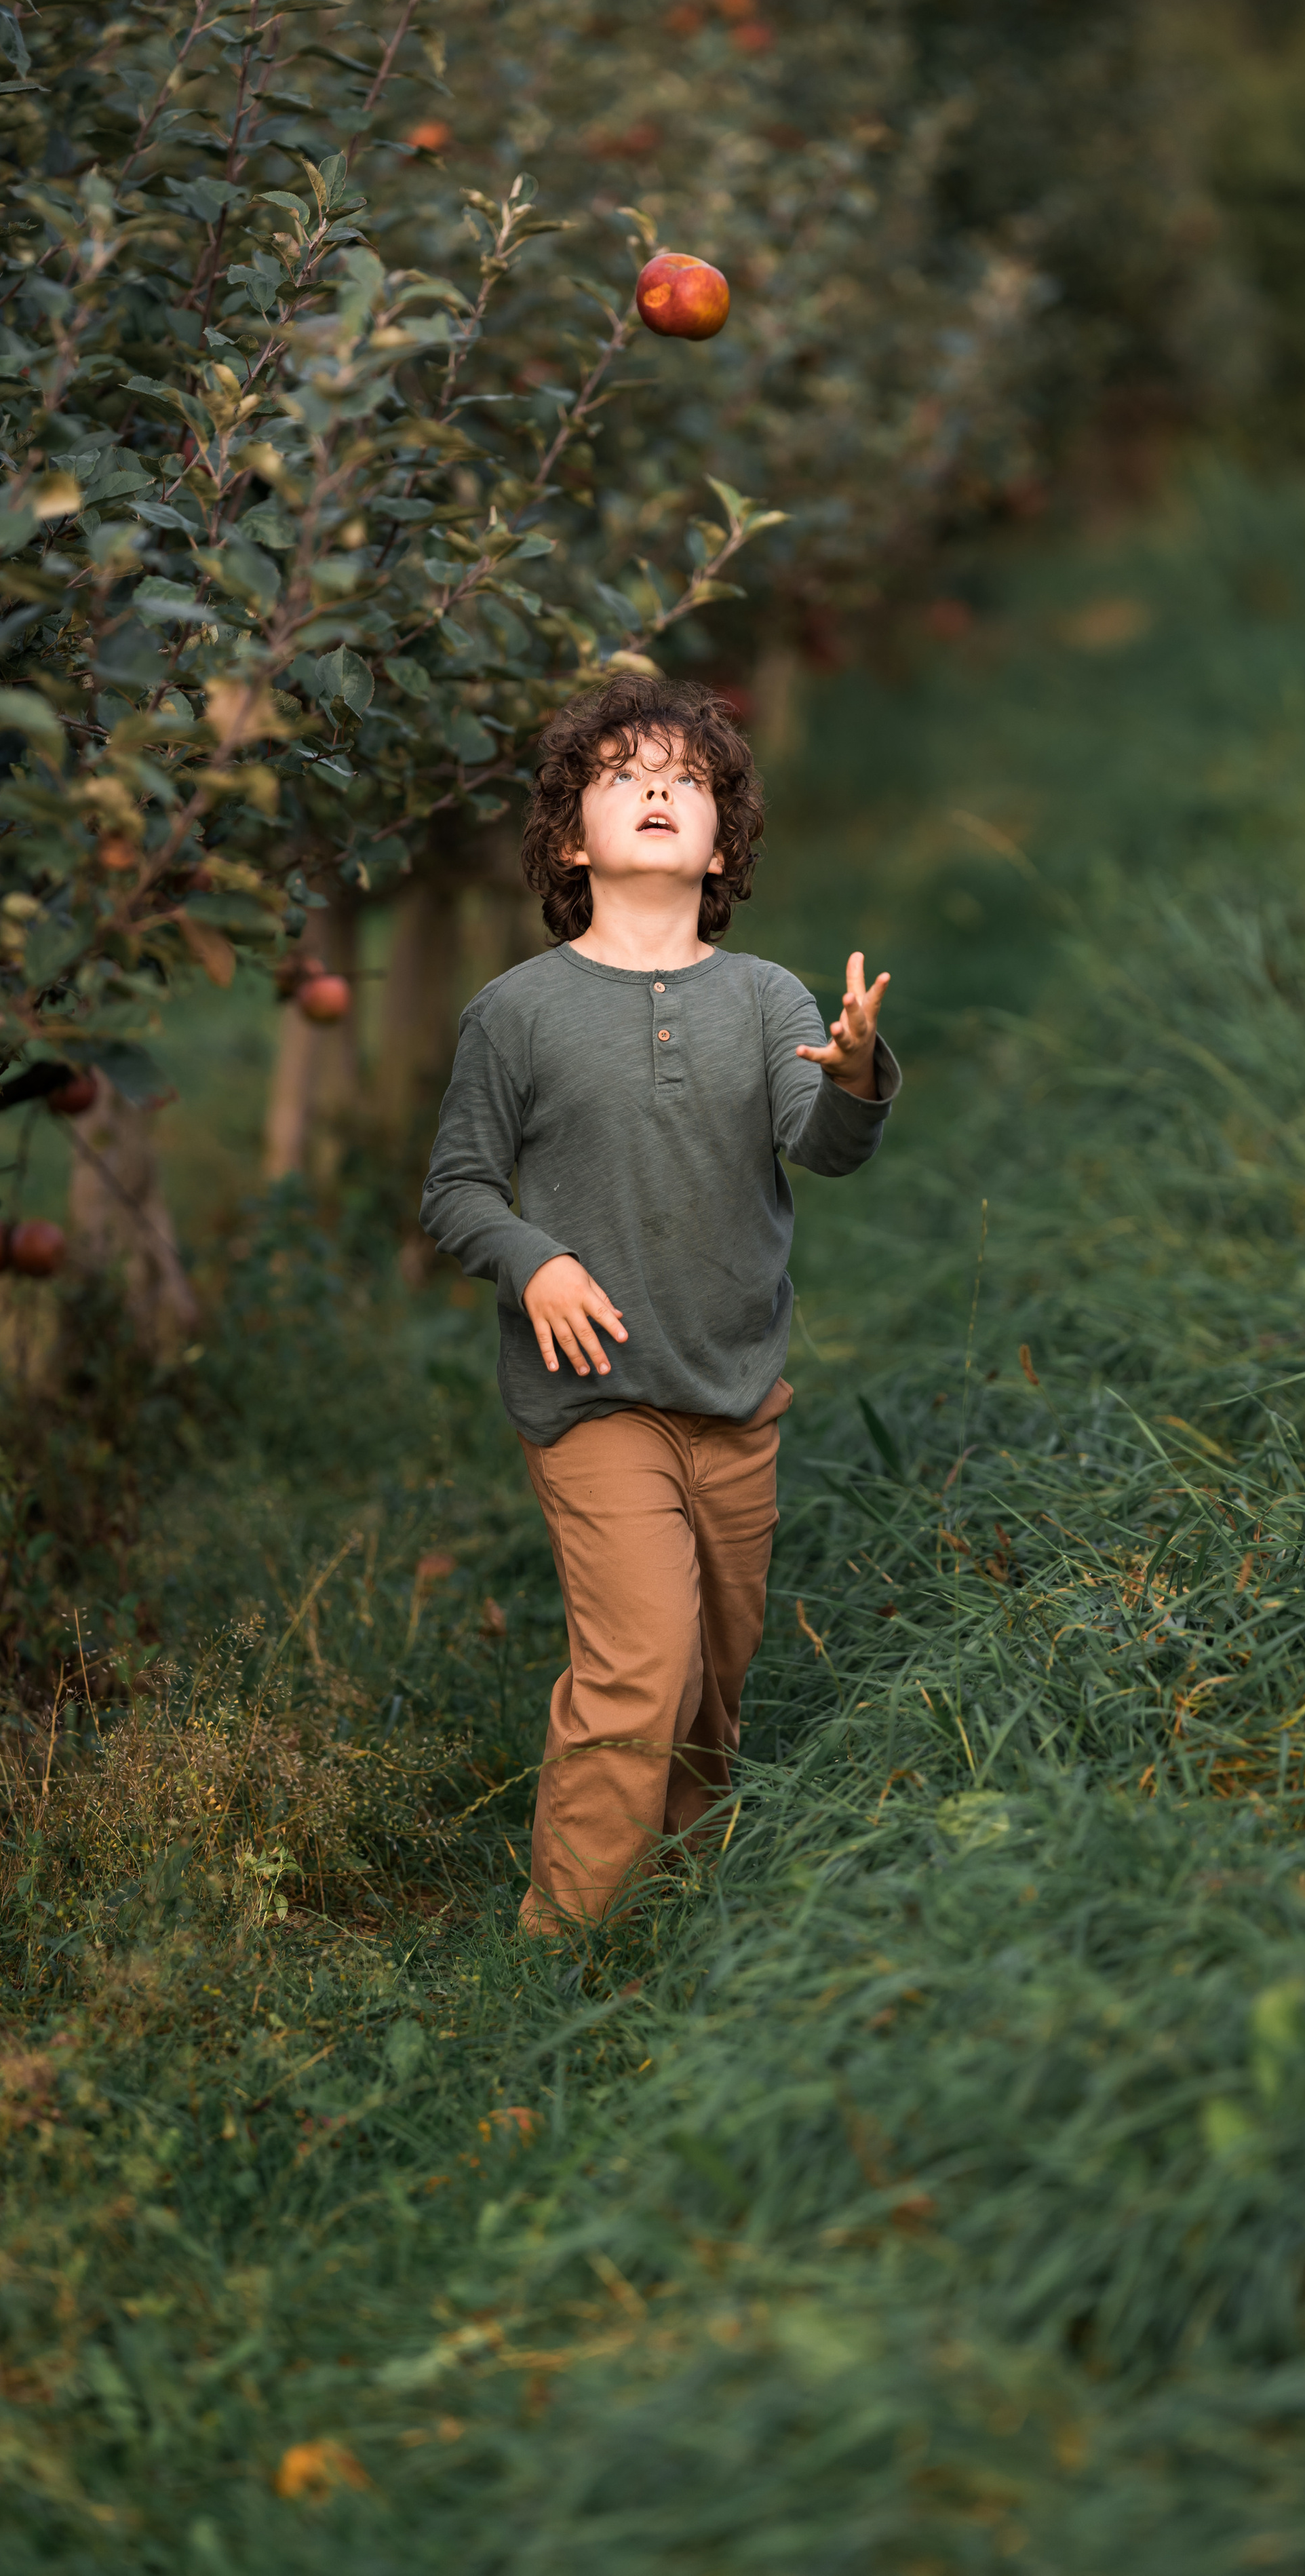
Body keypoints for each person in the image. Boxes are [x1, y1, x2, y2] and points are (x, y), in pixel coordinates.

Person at [420, 672, 898, 1933]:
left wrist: (854, 1076)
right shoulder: (518, 1013)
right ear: (571, 840)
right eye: (624, 776)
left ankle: (680, 1907)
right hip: (594, 1400)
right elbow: (456, 1190)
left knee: (712, 1681)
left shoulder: (766, 1000)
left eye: (687, 781)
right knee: (641, 1665)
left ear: (721, 846)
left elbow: (822, 1146)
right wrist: (534, 1260)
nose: (658, 792)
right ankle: (563, 1939)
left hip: (734, 1393)